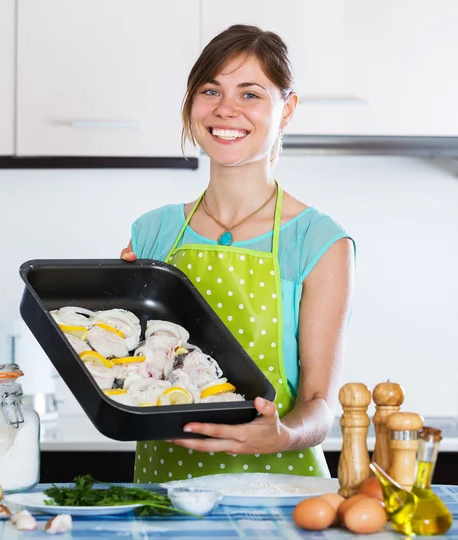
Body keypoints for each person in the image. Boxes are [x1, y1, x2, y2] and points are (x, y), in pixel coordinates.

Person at [121, 24, 355, 483]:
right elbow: (134, 374)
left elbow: (318, 406)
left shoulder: (319, 240)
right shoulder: (153, 231)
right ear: (191, 104)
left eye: (250, 94)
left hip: (280, 492)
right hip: (164, 488)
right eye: (211, 90)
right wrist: (108, 317)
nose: (225, 109)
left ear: (286, 110)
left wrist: (283, 434)